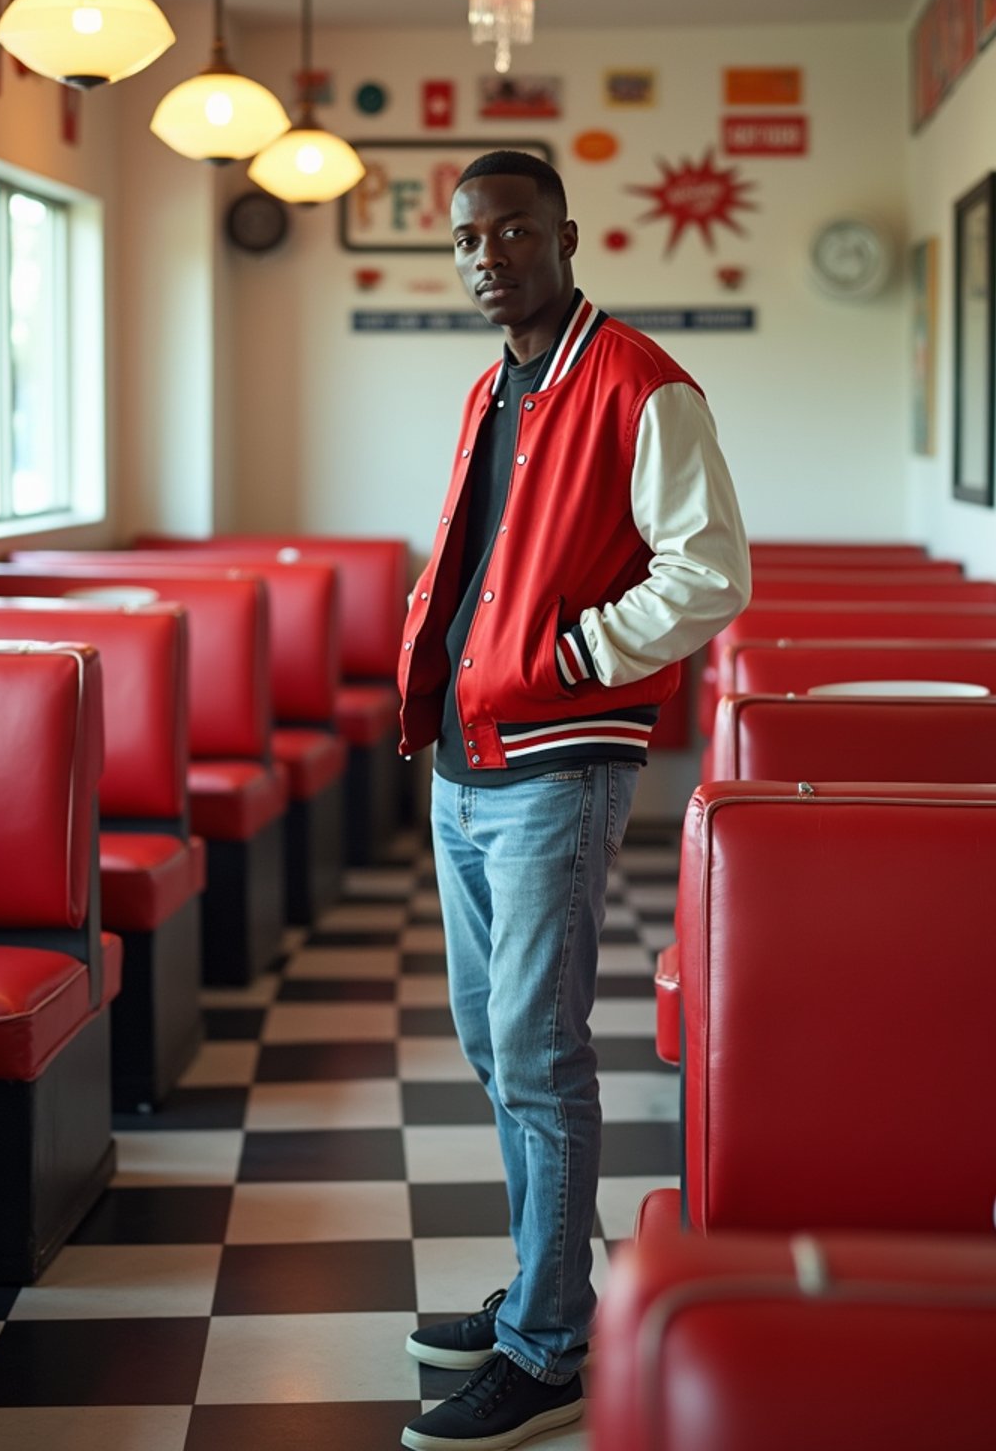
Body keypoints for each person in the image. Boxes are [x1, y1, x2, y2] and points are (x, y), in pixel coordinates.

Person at [396, 149, 750, 1450]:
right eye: (467, 239)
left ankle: (550, 1351)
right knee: (495, 1048)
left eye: (512, 231)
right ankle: (547, 1288)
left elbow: (710, 572)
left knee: (538, 1056)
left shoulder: (639, 383)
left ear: (567, 235)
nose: (489, 255)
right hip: (466, 759)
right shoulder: (496, 387)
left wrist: (576, 656)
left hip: (558, 756)